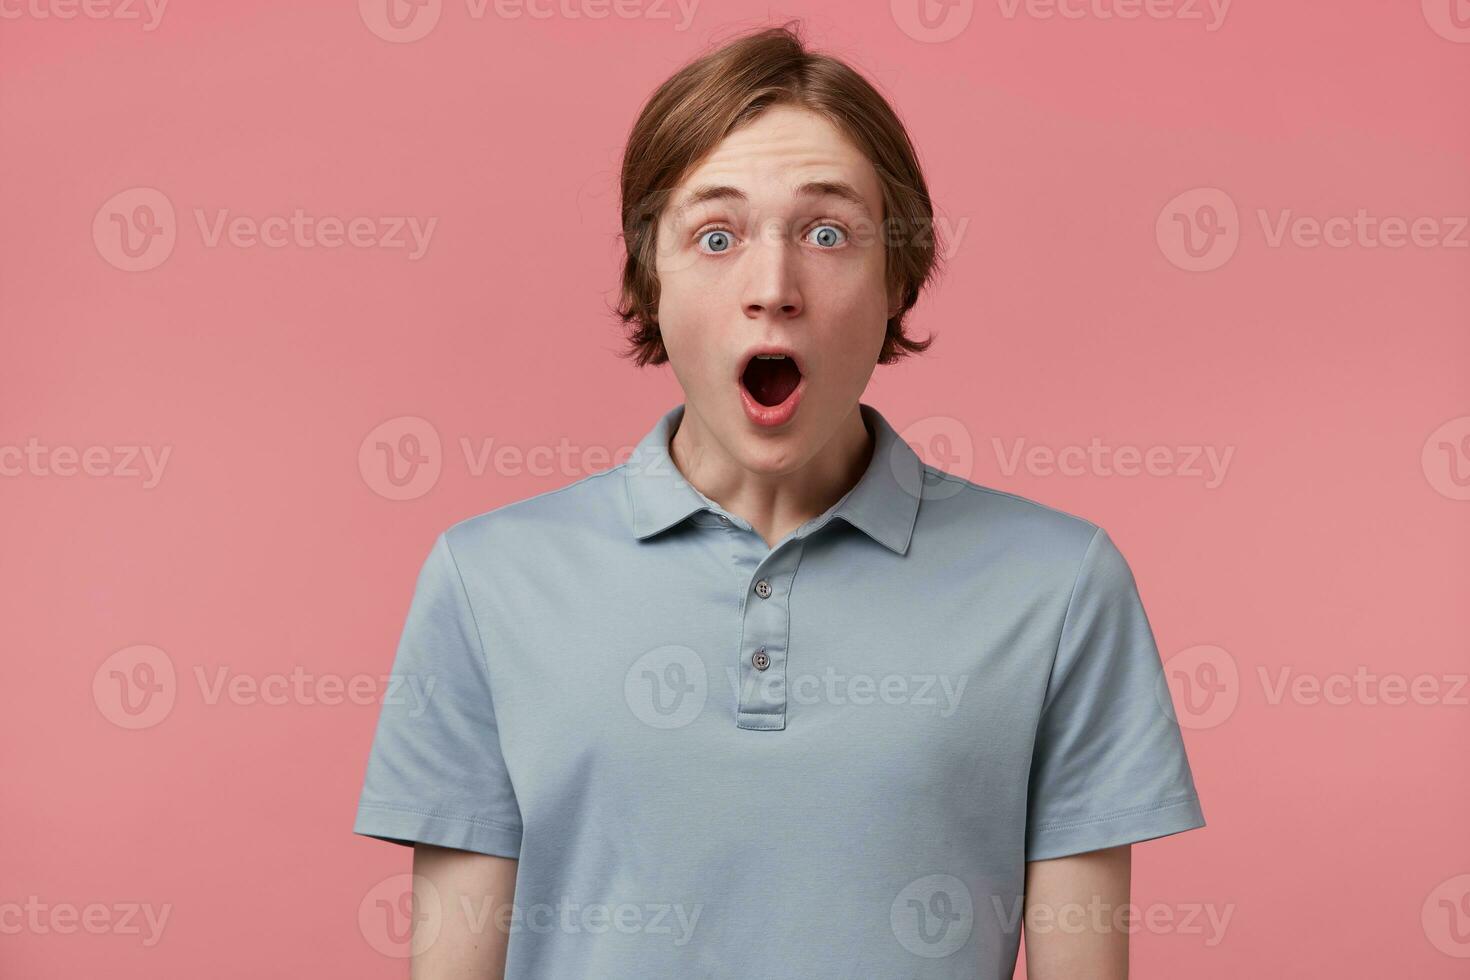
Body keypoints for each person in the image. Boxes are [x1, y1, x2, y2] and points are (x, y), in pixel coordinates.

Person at [353, 21, 1205, 979]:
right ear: (652, 281)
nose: (773, 287)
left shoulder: (1060, 587)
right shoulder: (487, 583)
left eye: (828, 233)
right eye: (715, 236)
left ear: (897, 278)